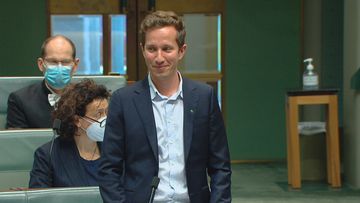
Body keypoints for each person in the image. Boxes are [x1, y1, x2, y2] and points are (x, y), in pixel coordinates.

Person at [99, 10, 231, 202]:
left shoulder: (204, 97)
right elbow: (109, 169)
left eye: (167, 49)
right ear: (142, 49)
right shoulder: (124, 100)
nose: (159, 58)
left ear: (182, 51)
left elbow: (220, 166)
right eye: (152, 49)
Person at [29, 79, 110, 188]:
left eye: (107, 112)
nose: (105, 119)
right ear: (77, 120)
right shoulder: (48, 155)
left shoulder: (116, 149)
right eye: (98, 114)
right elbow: (40, 198)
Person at [6, 35, 79, 129]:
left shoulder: (89, 100)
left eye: (65, 62)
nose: (59, 67)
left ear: (75, 65)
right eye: (53, 61)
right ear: (41, 64)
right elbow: (18, 142)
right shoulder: (20, 100)